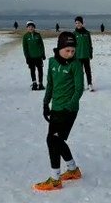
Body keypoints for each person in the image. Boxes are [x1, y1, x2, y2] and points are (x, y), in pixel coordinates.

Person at [34, 32, 84, 191]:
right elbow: (50, 84)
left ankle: (55, 178)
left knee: (53, 140)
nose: (70, 54)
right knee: (57, 140)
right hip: (55, 108)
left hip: (68, 110)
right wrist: (45, 103)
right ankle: (73, 169)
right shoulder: (52, 62)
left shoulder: (75, 65)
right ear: (60, 48)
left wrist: (69, 107)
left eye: (73, 51)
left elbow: (79, 89)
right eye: (67, 50)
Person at [22, 21, 46, 90]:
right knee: (32, 70)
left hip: (38, 56)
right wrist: (27, 57)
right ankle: (34, 83)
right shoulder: (25, 36)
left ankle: (40, 83)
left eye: (32, 27)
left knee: (40, 70)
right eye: (29, 27)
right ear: (27, 28)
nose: (31, 28)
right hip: (31, 57)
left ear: (34, 28)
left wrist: (43, 54)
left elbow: (41, 45)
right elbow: (25, 48)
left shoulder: (38, 35)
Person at [74, 16, 94, 91]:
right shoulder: (74, 34)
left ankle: (90, 84)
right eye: (76, 23)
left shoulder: (87, 33)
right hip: (78, 56)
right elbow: (73, 46)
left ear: (82, 23)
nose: (77, 24)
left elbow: (90, 44)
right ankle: (80, 85)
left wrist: (91, 53)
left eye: (79, 23)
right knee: (79, 72)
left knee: (88, 70)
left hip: (86, 55)